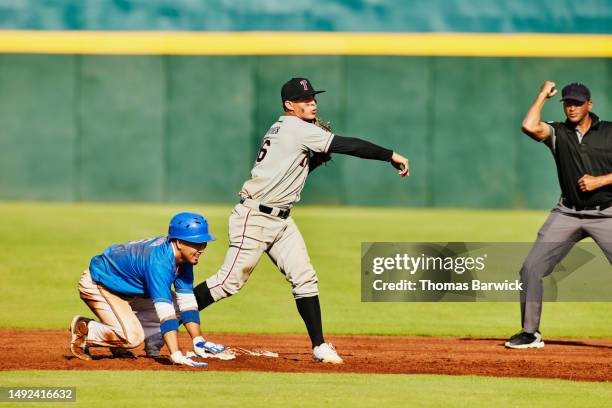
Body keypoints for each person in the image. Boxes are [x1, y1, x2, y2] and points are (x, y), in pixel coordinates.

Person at [189, 77, 410, 363]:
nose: (312, 103)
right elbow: (350, 146)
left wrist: (312, 162)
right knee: (227, 283)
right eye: (304, 100)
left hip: (280, 219)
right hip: (255, 217)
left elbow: (289, 173)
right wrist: (389, 155)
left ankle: (319, 345)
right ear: (289, 105)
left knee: (304, 278)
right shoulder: (297, 128)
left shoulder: (283, 128)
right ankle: (160, 320)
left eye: (313, 98)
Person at [505, 82, 612, 349]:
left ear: (590, 104)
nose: (572, 107)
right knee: (531, 268)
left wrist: (600, 181)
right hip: (568, 213)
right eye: (567, 103)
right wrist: (541, 94)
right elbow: (529, 125)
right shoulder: (558, 132)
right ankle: (530, 333)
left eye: (577, 102)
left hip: (607, 214)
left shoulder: (610, 132)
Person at [69, 212, 224, 366]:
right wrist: (175, 354)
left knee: (177, 306)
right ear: (178, 243)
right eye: (197, 243)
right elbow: (165, 313)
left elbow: (187, 302)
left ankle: (150, 341)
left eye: (204, 243)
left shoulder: (184, 259)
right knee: (132, 338)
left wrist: (198, 340)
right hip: (100, 283)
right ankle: (86, 330)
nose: (202, 248)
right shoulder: (159, 262)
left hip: (126, 287)